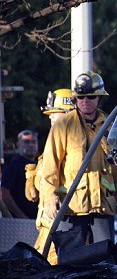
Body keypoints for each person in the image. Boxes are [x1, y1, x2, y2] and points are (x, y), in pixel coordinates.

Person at [40, 73, 117, 257]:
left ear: (100, 98)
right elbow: (50, 165)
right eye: (80, 97)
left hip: (102, 209)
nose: (85, 101)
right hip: (71, 209)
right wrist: (49, 197)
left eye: (91, 97)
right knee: (70, 266)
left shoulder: (109, 125)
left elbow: (116, 167)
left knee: (105, 265)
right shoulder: (64, 124)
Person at [29, 89, 76, 259]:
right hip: (47, 227)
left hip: (59, 228)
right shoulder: (52, 145)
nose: (50, 117)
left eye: (54, 113)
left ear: (68, 115)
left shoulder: (71, 149)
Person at [2, 130, 39, 219]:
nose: (31, 145)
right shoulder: (13, 165)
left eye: (33, 142)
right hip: (20, 220)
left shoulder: (41, 165)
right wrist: (21, 216)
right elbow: (4, 192)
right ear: (18, 144)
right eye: (26, 142)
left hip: (40, 220)